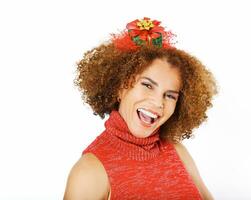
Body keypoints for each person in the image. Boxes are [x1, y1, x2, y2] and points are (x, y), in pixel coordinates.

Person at [64, 17, 218, 200]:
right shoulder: (90, 171)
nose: (158, 103)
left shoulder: (178, 153)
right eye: (147, 85)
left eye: (170, 95)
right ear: (120, 86)